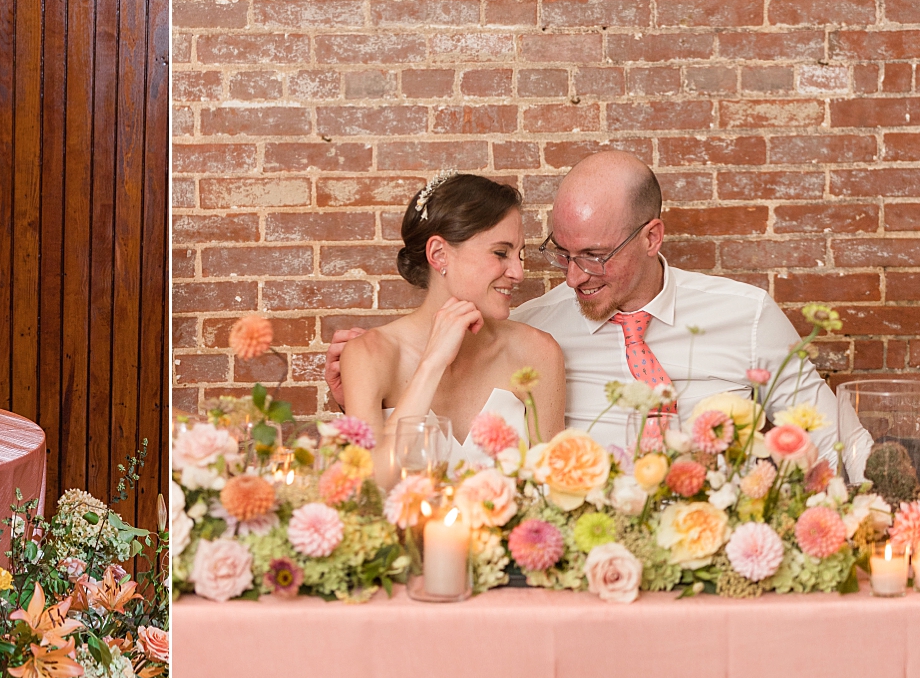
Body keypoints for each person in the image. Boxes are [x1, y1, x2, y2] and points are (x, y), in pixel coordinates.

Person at [328, 151, 842, 465]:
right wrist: (360, 399)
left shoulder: (747, 316)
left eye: (594, 256)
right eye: (562, 253)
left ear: (652, 237)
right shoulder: (532, 324)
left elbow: (834, 437)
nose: (569, 276)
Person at [339, 171, 565, 488]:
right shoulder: (369, 354)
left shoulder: (538, 353)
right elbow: (368, 487)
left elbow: (553, 490)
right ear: (439, 254)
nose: (518, 272)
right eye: (501, 253)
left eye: (520, 255)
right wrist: (432, 364)